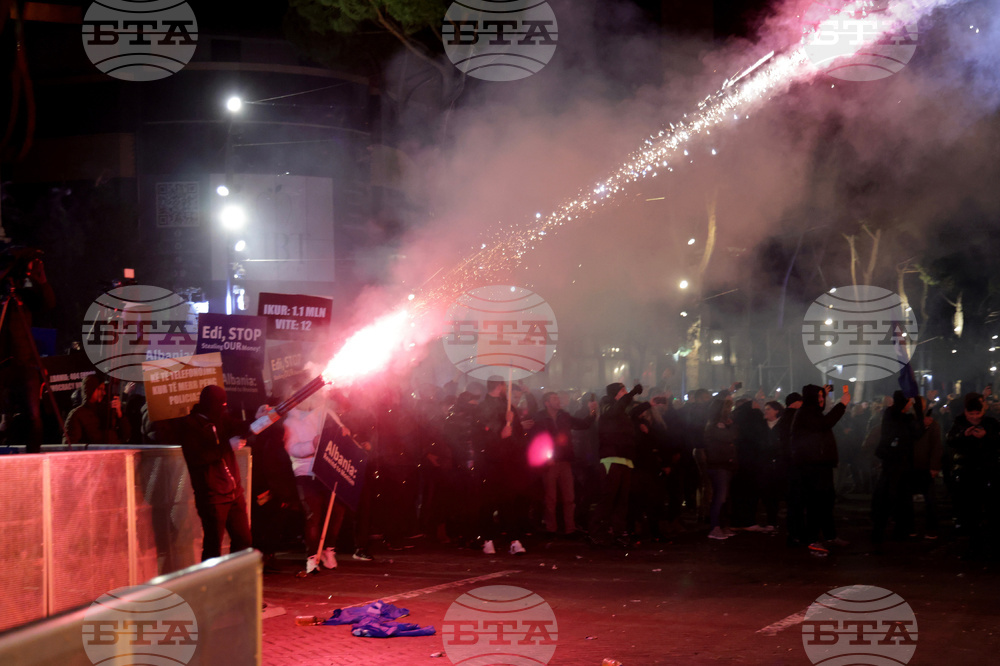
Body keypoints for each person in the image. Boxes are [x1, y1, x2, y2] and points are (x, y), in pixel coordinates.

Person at [179, 385, 252, 562]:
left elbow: (242, 426)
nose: (224, 407)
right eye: (221, 403)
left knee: (244, 541)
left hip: (234, 494)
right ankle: (208, 585)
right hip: (212, 496)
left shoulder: (221, 419)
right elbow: (198, 457)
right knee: (213, 546)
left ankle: (235, 579)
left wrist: (261, 417)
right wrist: (228, 446)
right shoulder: (190, 425)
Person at [0, 251, 55, 452]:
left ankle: (34, 458)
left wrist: (38, 276)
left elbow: (48, 303)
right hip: (3, 362)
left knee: (34, 415)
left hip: (25, 362)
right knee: (6, 416)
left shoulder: (23, 290)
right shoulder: (4, 289)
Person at [789, 384, 849, 555]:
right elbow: (825, 423)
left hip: (821, 464)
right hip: (812, 467)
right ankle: (812, 539)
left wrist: (824, 392)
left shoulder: (811, 412)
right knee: (816, 503)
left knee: (827, 501)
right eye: (819, 398)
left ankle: (830, 535)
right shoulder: (806, 413)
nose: (822, 401)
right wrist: (841, 404)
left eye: (823, 398)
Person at [476, 375, 531, 555]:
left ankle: (513, 540)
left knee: (508, 502)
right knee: (489, 502)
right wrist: (500, 434)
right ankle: (487, 539)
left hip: (508, 462)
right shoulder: (483, 407)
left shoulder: (508, 407)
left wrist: (512, 426)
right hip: (489, 463)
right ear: (499, 386)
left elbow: (518, 436)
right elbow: (481, 436)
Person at [530, 391, 597, 537]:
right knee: (550, 498)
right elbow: (536, 439)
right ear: (547, 403)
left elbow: (583, 424)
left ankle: (570, 528)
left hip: (565, 460)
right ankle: (551, 528)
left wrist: (592, 412)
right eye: (554, 399)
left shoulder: (564, 416)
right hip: (548, 462)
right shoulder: (539, 417)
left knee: (569, 497)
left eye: (557, 398)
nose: (558, 401)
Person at [946, 392, 1000, 559]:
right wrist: (963, 435)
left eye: (978, 414)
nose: (975, 417)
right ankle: (974, 546)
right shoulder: (958, 423)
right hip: (967, 472)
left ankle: (993, 547)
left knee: (992, 511)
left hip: (988, 472)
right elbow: (950, 441)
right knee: (971, 511)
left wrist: (986, 437)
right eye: (971, 414)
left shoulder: (991, 422)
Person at [590, 382, 642, 547]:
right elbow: (618, 408)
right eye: (623, 391)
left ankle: (618, 532)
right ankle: (595, 532)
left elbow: (631, 411)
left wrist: (649, 404)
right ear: (615, 394)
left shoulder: (621, 412)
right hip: (611, 459)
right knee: (608, 499)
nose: (625, 393)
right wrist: (632, 393)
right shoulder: (607, 408)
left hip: (625, 459)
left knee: (621, 501)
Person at [870, 390, 921, 548]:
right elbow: (916, 434)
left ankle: (884, 530)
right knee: (897, 498)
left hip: (891, 463)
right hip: (899, 464)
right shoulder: (904, 419)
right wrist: (918, 414)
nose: (910, 405)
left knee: (889, 498)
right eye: (908, 402)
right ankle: (895, 530)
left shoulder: (889, 414)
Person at [698, 396, 738, 540]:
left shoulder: (719, 425)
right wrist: (730, 427)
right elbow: (730, 437)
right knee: (720, 497)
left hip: (724, 464)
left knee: (724, 497)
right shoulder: (714, 426)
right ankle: (715, 527)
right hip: (718, 465)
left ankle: (722, 525)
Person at [63, 374, 131, 446]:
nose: (104, 393)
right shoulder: (77, 414)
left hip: (114, 454)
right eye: (100, 389)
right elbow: (70, 445)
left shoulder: (108, 411)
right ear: (90, 389)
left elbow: (126, 436)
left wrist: (120, 415)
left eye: (104, 389)